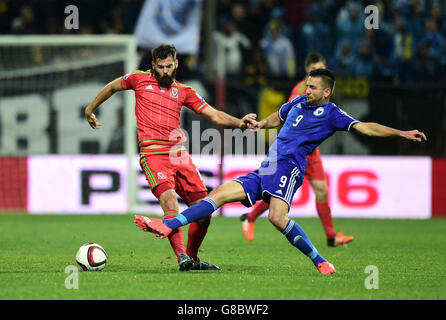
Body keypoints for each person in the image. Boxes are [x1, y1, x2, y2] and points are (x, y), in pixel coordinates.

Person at [133, 68, 426, 274]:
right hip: (267, 166)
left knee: (276, 217)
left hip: (289, 170)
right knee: (219, 194)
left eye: (312, 87)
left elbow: (367, 128)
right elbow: (280, 114)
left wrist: (402, 133)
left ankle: (320, 260)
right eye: (306, 85)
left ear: (326, 91)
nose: (305, 89)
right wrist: (261, 124)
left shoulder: (333, 113)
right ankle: (169, 225)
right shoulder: (298, 101)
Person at [85, 44, 256, 271]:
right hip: (153, 154)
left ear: (176, 64)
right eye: (161, 67)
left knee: (204, 211)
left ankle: (193, 260)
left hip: (179, 156)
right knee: (170, 202)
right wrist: (90, 109)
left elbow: (214, 114)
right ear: (153, 66)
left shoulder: (184, 91)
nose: (165, 71)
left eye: (169, 66)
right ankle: (181, 256)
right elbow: (112, 87)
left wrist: (239, 122)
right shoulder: (138, 79)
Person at [240, 52, 354, 246]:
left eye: (320, 68)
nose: (315, 74)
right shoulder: (301, 91)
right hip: (294, 152)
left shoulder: (320, 90)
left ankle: (331, 236)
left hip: (311, 152)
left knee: (322, 191)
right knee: (276, 190)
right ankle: (250, 216)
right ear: (306, 69)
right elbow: (288, 117)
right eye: (313, 69)